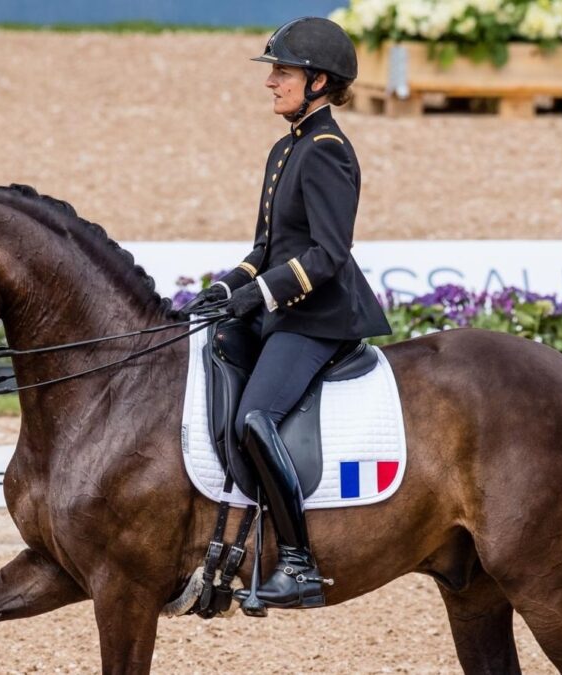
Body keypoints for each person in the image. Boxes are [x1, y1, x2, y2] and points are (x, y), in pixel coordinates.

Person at [184, 16, 390, 609]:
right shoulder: (287, 149)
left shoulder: (327, 152)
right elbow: (266, 249)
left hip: (318, 318)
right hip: (283, 312)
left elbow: (327, 255)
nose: (271, 82)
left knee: (254, 418)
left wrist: (257, 297)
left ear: (319, 81)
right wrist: (227, 290)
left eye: (283, 72)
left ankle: (299, 563)